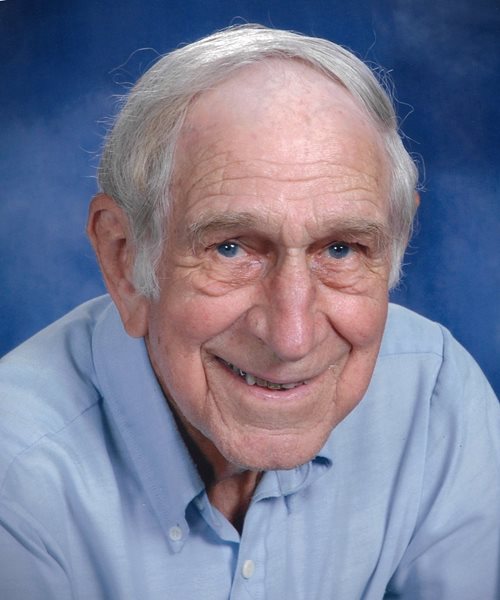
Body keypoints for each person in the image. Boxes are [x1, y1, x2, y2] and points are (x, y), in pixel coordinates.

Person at [0, 24, 498, 599]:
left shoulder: (434, 395)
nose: (291, 337)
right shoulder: (17, 478)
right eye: (231, 248)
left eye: (341, 249)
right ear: (124, 260)